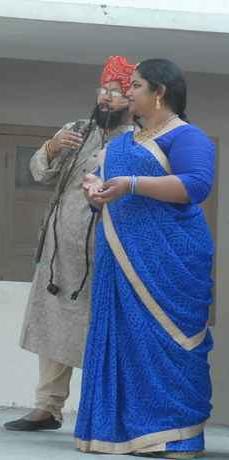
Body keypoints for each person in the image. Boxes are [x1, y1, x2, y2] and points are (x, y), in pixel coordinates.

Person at [76, 59, 214, 458]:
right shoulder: (121, 145)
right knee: (124, 341)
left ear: (160, 92)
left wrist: (132, 184)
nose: (128, 92)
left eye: (136, 85)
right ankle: (122, 432)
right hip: (120, 260)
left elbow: (196, 185)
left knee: (165, 344)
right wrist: (97, 191)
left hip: (169, 261)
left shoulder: (186, 137)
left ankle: (175, 435)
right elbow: (111, 193)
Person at [4, 55, 136, 432]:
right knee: (52, 326)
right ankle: (47, 408)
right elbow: (39, 173)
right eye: (103, 89)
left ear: (132, 98)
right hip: (59, 253)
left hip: (104, 253)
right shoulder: (77, 130)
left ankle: (103, 414)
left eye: (116, 91)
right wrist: (52, 147)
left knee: (99, 331)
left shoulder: (136, 141)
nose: (106, 97)